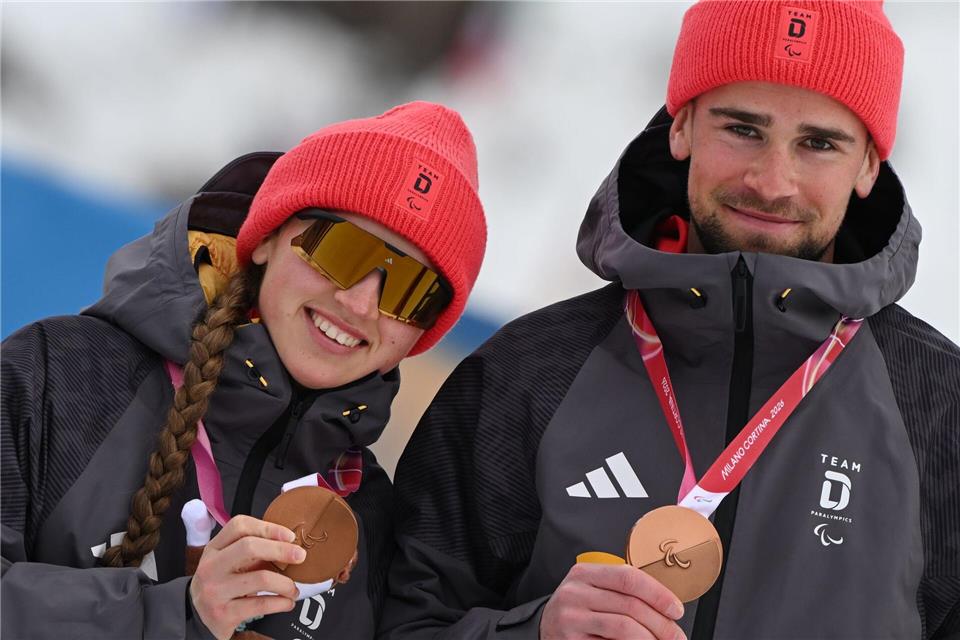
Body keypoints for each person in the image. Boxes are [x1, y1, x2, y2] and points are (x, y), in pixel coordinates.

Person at [379, 3, 959, 640]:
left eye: (819, 144)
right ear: (681, 127)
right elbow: (403, 623)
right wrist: (531, 634)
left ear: (870, 165)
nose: (772, 182)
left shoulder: (938, 401)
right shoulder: (528, 373)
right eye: (743, 129)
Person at [1, 100, 486, 640]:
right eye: (342, 250)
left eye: (411, 290)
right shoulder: (63, 374)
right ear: (270, 238)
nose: (360, 304)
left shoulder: (372, 518)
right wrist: (174, 615)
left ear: (422, 333)